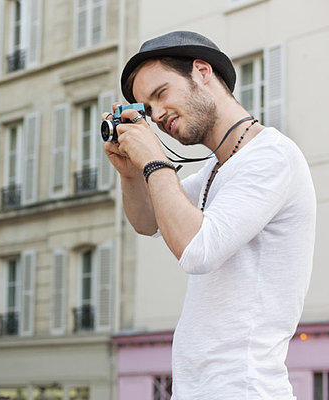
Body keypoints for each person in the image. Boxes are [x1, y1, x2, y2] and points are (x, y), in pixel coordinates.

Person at [104, 31, 316, 399]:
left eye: (160, 94)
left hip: (244, 389)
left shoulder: (271, 157)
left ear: (202, 71)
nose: (156, 115)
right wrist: (130, 173)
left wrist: (155, 159)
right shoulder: (215, 172)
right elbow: (148, 222)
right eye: (147, 109)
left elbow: (198, 250)